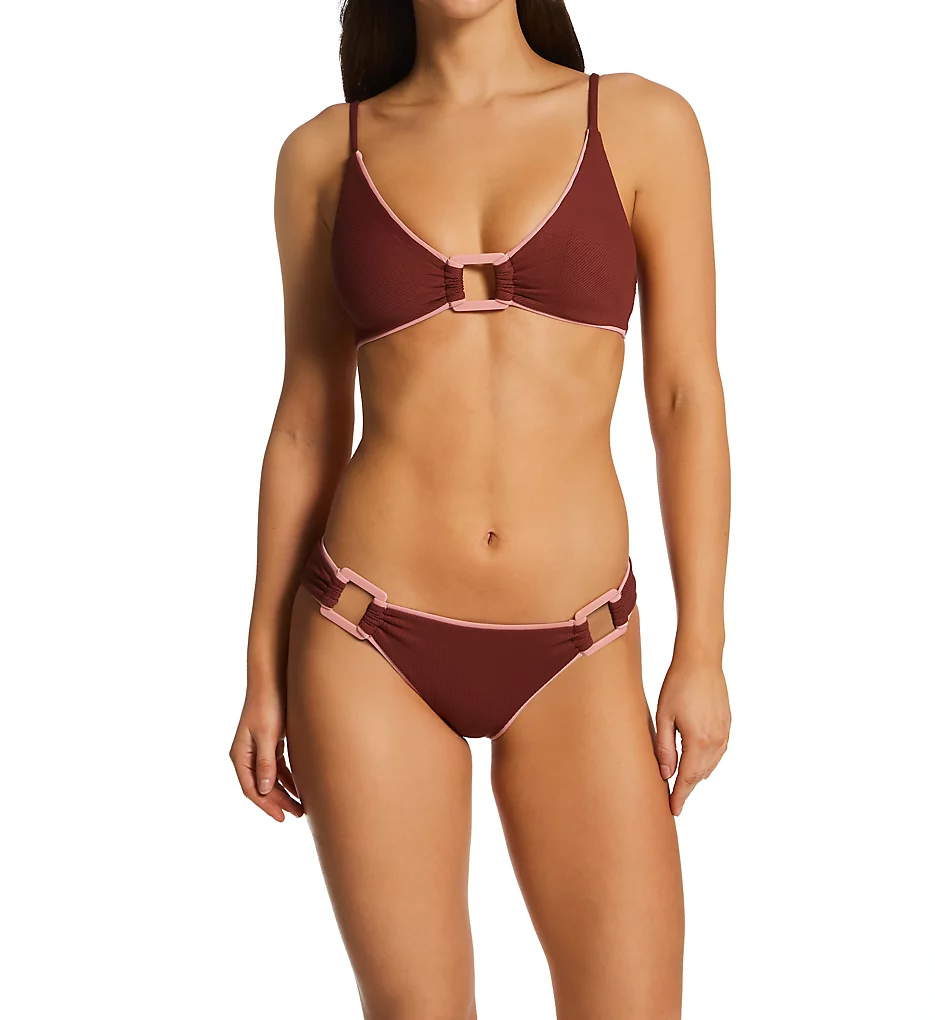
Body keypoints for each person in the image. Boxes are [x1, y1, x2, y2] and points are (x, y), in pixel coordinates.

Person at [230, 1, 731, 1015]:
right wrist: (259, 671)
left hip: (578, 646)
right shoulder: (324, 155)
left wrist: (702, 648)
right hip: (367, 636)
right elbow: (305, 423)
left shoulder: (641, 125)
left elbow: (685, 398)